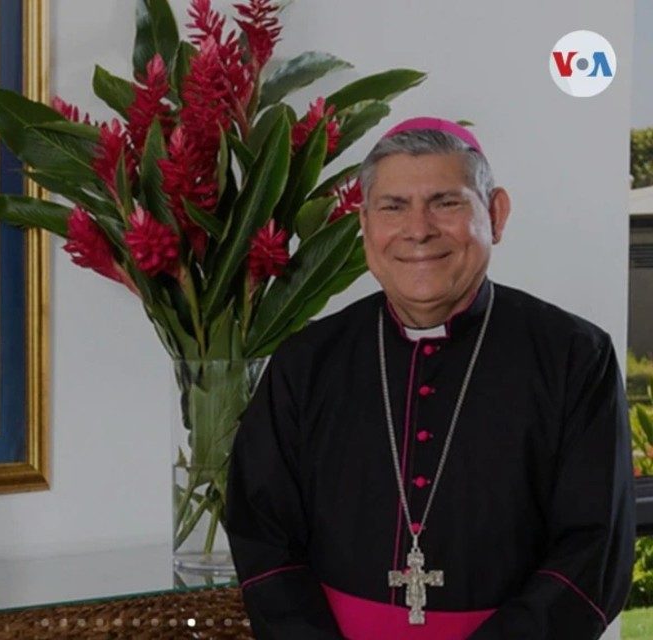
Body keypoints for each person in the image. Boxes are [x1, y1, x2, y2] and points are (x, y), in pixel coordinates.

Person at [225, 117, 635, 639]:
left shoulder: (575, 357)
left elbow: (593, 552)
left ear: (496, 214)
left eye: (446, 202)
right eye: (392, 207)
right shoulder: (305, 361)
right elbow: (262, 532)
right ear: (365, 225)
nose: (418, 229)